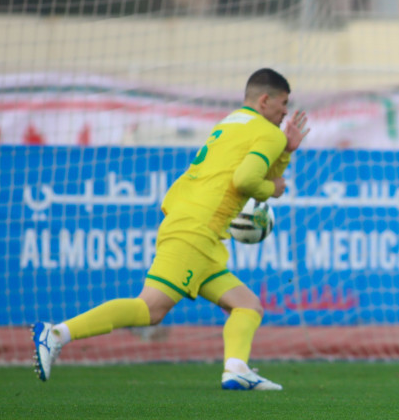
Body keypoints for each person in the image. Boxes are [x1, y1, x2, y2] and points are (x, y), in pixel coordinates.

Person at [32, 68, 309, 390]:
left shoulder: (231, 123)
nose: (286, 111)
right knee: (150, 309)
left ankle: (237, 369)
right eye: (284, 103)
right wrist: (270, 190)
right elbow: (246, 180)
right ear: (265, 100)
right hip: (196, 229)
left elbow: (249, 170)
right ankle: (56, 334)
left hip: (197, 230)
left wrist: (286, 152)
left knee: (247, 305)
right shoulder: (266, 131)